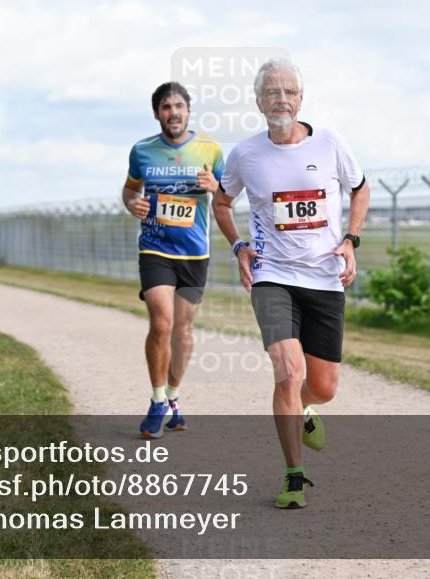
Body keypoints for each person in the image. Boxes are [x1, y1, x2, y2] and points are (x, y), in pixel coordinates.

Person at [212, 59, 370, 509]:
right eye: (272, 92)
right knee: (288, 372)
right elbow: (221, 203)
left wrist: (350, 240)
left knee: (322, 387)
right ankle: (294, 476)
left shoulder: (331, 144)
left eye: (290, 92)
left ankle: (304, 408)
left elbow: (361, 188)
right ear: (258, 101)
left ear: (302, 99)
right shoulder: (245, 154)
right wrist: (239, 245)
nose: (281, 99)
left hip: (324, 276)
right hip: (272, 276)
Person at [123, 81, 224, 438]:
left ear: (189, 111)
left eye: (179, 106)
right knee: (162, 323)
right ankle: (155, 401)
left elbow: (228, 196)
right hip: (155, 248)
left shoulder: (210, 149)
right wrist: (132, 203)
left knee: (182, 331)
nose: (173, 112)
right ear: (157, 114)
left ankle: (173, 395)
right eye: (166, 107)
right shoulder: (142, 151)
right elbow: (130, 189)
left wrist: (215, 187)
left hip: (195, 253)